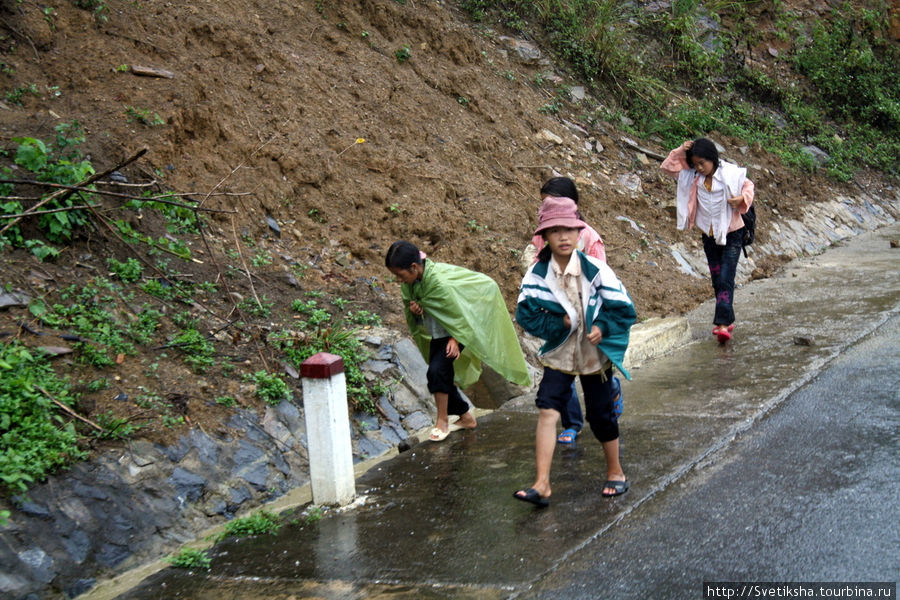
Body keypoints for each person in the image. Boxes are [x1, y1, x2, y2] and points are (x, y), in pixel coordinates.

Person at [513, 197, 637, 506]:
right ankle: (542, 483)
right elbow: (526, 314)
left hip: (594, 354)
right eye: (555, 231)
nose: (564, 237)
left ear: (580, 233)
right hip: (562, 353)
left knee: (601, 414)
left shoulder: (596, 269)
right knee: (547, 408)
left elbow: (623, 309)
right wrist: (559, 323)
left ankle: (616, 471)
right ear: (545, 237)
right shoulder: (538, 274)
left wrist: (602, 327)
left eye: (569, 229)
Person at [385, 240, 531, 442]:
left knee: (437, 372)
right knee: (439, 375)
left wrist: (456, 338)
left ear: (414, 267)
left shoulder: (438, 283)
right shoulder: (411, 286)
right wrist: (416, 311)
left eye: (400, 275)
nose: (398, 281)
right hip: (436, 333)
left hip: (456, 332)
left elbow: (461, 312)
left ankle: (442, 421)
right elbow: (423, 312)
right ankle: (465, 417)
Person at [522, 176, 622, 445]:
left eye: (551, 202)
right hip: (560, 319)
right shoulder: (543, 236)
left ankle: (610, 389)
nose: (545, 209)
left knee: (596, 386)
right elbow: (539, 267)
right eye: (544, 204)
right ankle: (571, 423)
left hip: (589, 321)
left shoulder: (589, 238)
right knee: (558, 375)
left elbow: (601, 280)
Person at [661, 138, 754, 343]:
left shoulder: (730, 174)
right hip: (709, 235)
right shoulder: (692, 177)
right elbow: (667, 167)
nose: (699, 167)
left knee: (726, 277)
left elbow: (748, 186)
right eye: (695, 164)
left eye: (702, 162)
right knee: (717, 277)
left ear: (713, 158)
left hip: (732, 233)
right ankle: (727, 319)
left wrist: (742, 199)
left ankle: (721, 325)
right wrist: (680, 150)